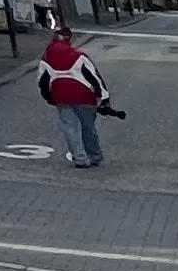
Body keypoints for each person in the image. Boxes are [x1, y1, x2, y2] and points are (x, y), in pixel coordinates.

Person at [38, 24, 121, 167]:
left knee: (70, 127)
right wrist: (104, 98)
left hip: (60, 97)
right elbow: (95, 78)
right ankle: (94, 155)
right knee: (88, 127)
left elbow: (42, 82)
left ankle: (80, 158)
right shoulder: (80, 57)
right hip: (84, 97)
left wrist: (49, 97)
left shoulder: (46, 59)